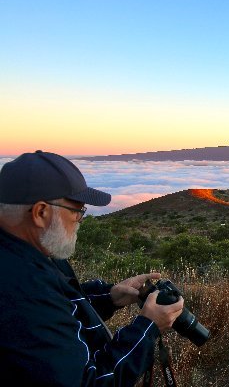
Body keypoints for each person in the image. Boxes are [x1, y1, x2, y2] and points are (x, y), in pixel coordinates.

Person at [0, 150, 184, 386]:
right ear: (41, 213)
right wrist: (148, 329)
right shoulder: (21, 290)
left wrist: (109, 297)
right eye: (77, 211)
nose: (81, 220)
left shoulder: (30, 254)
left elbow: (59, 305)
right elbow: (87, 382)